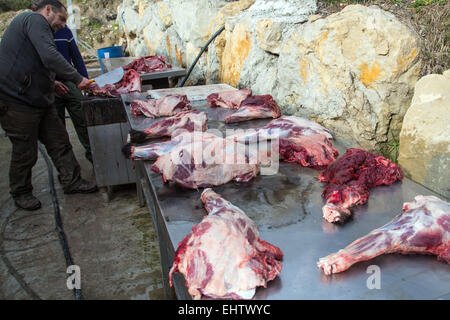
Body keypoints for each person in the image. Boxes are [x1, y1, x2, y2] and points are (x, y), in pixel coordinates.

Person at [0, 0, 97, 211]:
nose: (62, 25)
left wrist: (51, 83)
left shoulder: (39, 27)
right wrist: (78, 78)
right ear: (48, 10)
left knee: (59, 141)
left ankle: (73, 181)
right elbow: (49, 56)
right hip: (16, 101)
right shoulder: (33, 19)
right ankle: (21, 192)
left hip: (39, 100)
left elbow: (32, 61)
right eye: (61, 19)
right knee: (25, 150)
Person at [31, 0, 93, 163]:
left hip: (70, 83)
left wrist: (84, 81)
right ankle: (67, 171)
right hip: (49, 87)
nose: (62, 24)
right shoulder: (35, 31)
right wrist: (49, 83)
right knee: (56, 133)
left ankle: (95, 161)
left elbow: (77, 58)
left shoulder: (64, 32)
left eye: (64, 20)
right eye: (61, 19)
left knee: (84, 123)